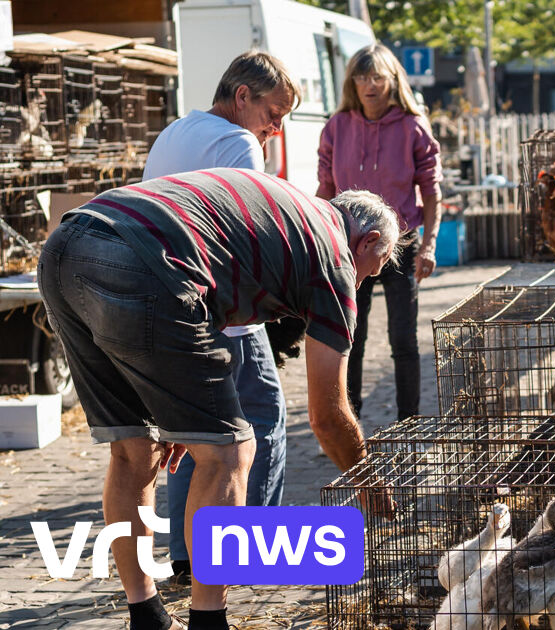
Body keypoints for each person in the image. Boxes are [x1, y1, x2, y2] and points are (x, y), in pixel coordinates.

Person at [37, 170, 399, 630]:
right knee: (229, 452)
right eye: (378, 269)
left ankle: (145, 615)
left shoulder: (290, 212)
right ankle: (210, 620)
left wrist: (180, 411)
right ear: (367, 242)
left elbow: (209, 310)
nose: (367, 282)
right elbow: (327, 416)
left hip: (67, 244)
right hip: (144, 260)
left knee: (133, 448)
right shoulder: (335, 257)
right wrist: (366, 477)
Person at [142, 50, 299, 588]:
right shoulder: (238, 143)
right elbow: (242, 231)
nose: (276, 128)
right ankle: (245, 553)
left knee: (198, 430)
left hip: (169, 298)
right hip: (221, 305)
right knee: (262, 419)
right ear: (242, 97)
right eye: (274, 113)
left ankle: (188, 556)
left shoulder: (177, 130)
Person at [317, 43, 442, 421]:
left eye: (377, 77)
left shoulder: (412, 126)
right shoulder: (337, 126)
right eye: (361, 76)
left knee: (403, 340)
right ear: (351, 82)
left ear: (392, 81)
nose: (369, 84)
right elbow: (324, 189)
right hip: (348, 246)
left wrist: (429, 246)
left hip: (401, 244)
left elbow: (432, 191)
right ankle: (345, 420)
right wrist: (316, 243)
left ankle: (409, 423)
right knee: (350, 338)